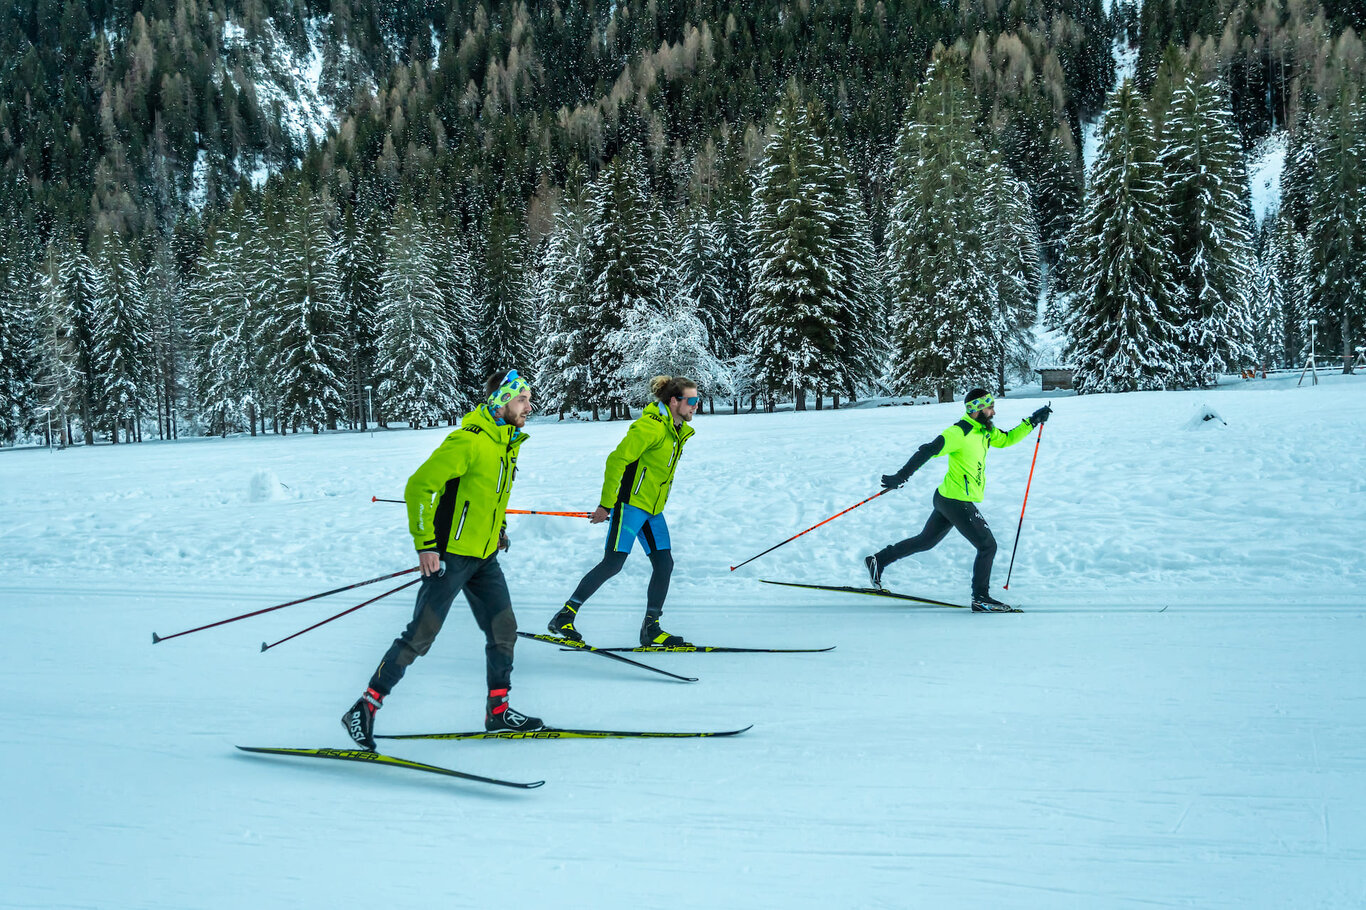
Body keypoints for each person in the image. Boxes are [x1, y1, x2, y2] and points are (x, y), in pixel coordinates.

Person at [342, 369, 542, 750]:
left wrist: (496, 530)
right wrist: (426, 545)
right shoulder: (468, 441)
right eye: (521, 399)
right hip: (449, 557)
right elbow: (419, 486)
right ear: (500, 401)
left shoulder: (506, 443)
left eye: (528, 399)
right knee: (420, 636)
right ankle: (363, 708)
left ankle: (497, 712)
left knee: (504, 631)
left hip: (483, 559)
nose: (528, 407)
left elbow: (488, 496)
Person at [865, 389, 1051, 612]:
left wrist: (1032, 421)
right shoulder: (959, 431)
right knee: (987, 545)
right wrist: (901, 476)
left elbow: (1008, 439)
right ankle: (981, 598)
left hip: (947, 497)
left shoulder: (984, 431)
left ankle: (879, 560)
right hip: (955, 501)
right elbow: (929, 450)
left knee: (926, 541)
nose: (993, 411)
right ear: (976, 409)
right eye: (989, 407)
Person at [547, 375, 699, 647]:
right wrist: (606, 505)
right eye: (692, 400)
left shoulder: (675, 430)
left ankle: (651, 628)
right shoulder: (650, 427)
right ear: (675, 401)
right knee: (613, 563)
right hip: (630, 506)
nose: (696, 406)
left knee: (665, 564)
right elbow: (616, 460)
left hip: (653, 510)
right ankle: (565, 616)